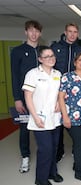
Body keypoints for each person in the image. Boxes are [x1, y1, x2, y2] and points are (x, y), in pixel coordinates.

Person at [22, 46, 63, 185]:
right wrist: (34, 116)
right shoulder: (32, 74)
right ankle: (41, 178)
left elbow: (59, 92)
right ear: (40, 59)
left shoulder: (58, 73)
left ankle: (52, 172)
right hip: (39, 118)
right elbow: (28, 97)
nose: (50, 58)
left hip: (55, 117)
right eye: (46, 56)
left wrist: (59, 102)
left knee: (54, 147)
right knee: (45, 149)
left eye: (52, 55)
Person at [11, 20, 43, 173]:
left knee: (43, 126)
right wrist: (17, 98)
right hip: (25, 97)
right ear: (26, 32)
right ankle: (25, 157)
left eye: (36, 31)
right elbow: (15, 76)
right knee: (24, 129)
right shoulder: (17, 51)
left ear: (40, 33)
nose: (34, 33)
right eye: (31, 30)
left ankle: (44, 154)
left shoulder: (44, 51)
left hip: (42, 97)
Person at [51, 23, 81, 162]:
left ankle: (75, 151)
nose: (72, 34)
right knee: (58, 123)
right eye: (70, 31)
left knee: (76, 125)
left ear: (78, 33)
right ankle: (59, 151)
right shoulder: (55, 48)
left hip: (75, 94)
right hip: (56, 91)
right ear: (65, 32)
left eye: (75, 32)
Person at [58, 52, 81, 182]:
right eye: (80, 60)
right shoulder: (67, 77)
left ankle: (76, 164)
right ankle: (80, 172)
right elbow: (60, 98)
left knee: (78, 142)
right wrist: (65, 117)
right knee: (79, 143)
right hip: (71, 118)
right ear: (75, 62)